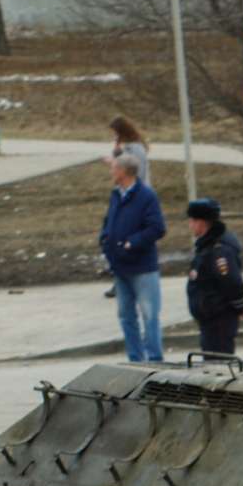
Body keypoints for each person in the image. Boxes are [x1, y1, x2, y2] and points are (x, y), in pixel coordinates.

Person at [99, 155, 166, 362]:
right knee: (126, 316)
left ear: (124, 171)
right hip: (120, 267)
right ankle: (135, 359)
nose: (111, 172)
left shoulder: (146, 196)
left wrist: (132, 243)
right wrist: (105, 238)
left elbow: (157, 228)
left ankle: (155, 360)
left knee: (149, 315)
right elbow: (109, 220)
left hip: (142, 268)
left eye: (114, 169)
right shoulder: (116, 195)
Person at [185, 197, 243, 355]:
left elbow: (232, 283)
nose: (190, 225)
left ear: (202, 222)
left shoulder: (218, 250)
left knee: (219, 365)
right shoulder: (206, 246)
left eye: (192, 220)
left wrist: (242, 306)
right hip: (210, 319)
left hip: (219, 319)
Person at [107, 115, 152, 186]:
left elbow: (139, 173)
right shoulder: (126, 146)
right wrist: (115, 153)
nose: (114, 137)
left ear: (122, 133)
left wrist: (113, 161)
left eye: (115, 133)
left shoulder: (136, 148)